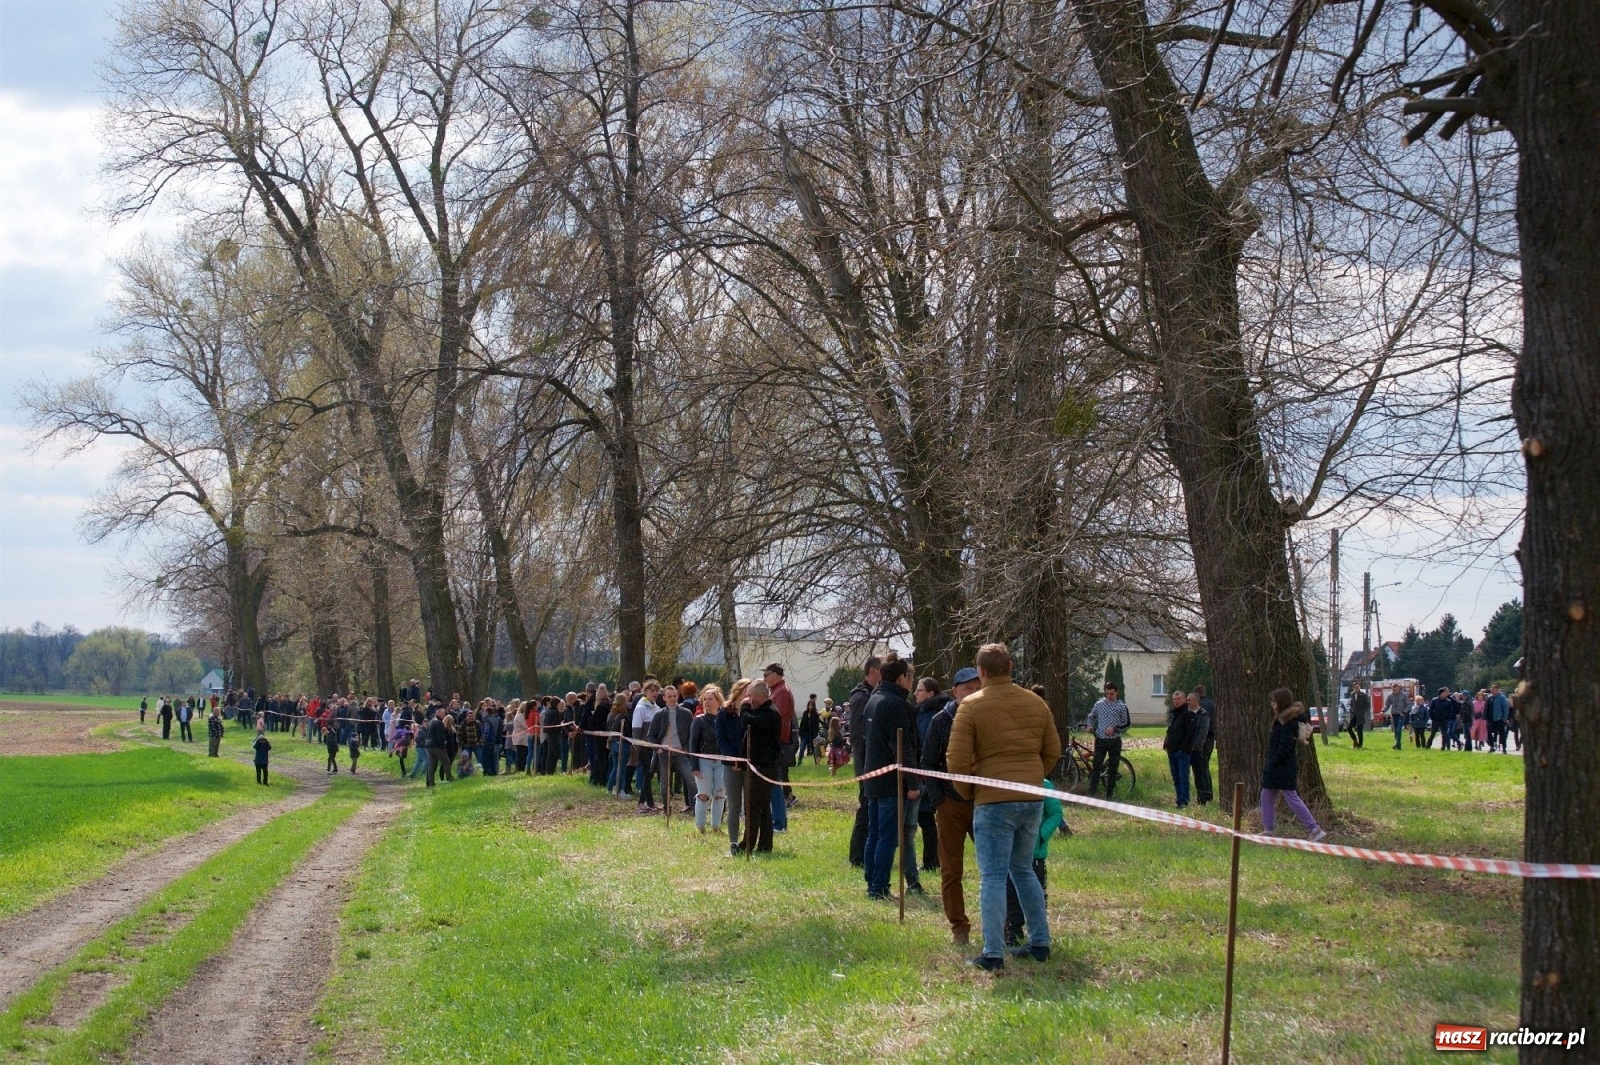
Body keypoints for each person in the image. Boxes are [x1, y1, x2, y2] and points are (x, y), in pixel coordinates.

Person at [945, 644, 1060, 971]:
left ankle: (993, 952)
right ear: (1010, 666)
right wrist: (1033, 778)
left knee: (993, 876)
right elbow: (1052, 750)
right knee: (1024, 870)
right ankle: (1040, 942)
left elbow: (956, 759)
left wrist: (971, 790)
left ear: (980, 672)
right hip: (1031, 798)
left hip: (993, 801)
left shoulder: (970, 706)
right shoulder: (1036, 702)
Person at [921, 665, 980, 945]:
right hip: (950, 804)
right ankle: (959, 926)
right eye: (967, 688)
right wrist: (939, 802)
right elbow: (928, 764)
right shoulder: (941, 721)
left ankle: (1006, 925)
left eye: (978, 687)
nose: (973, 692)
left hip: (985, 803)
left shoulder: (988, 717)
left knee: (995, 868)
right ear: (955, 691)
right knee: (951, 870)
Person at [861, 658, 922, 901]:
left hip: (873, 777)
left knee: (874, 835)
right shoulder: (897, 705)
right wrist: (913, 782)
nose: (912, 682)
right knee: (887, 837)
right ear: (901, 678)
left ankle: (872, 883)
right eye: (910, 677)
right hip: (890, 782)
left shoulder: (873, 700)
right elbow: (902, 747)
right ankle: (878, 887)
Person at [1260, 687, 1327, 841]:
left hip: (1281, 767)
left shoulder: (1286, 723)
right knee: (1266, 796)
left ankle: (1314, 829)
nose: (1272, 704)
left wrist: (1272, 763)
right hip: (1280, 767)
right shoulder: (1283, 721)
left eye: (1274, 702)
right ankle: (1268, 831)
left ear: (1281, 703)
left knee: (1291, 797)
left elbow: (1284, 747)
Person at [1004, 778, 1064, 946]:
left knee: (1035, 893)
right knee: (1010, 893)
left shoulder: (1044, 784)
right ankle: (1014, 931)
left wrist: (1040, 836)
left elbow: (1055, 814)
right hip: (1011, 851)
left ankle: (1037, 934)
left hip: (1035, 854)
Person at [911, 678, 951, 872]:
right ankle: (931, 860)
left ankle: (932, 860)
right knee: (924, 817)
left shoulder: (935, 714)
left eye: (919, 690)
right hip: (922, 771)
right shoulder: (921, 711)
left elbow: (926, 742)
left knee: (927, 817)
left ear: (931, 693)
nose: (915, 693)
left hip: (931, 772)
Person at [848, 655, 885, 867]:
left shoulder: (874, 694)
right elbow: (857, 735)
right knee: (865, 808)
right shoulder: (861, 697)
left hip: (874, 761)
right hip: (865, 762)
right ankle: (857, 855)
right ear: (873, 671)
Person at [741, 682, 782, 855]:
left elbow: (748, 723)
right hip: (759, 766)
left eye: (750, 696)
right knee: (763, 808)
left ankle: (747, 846)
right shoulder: (762, 711)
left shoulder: (770, 713)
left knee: (753, 808)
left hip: (764, 767)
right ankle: (765, 845)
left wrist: (743, 708)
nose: (748, 699)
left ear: (758, 696)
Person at [647, 685, 696, 816]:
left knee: (691, 779)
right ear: (664, 698)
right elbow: (650, 735)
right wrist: (657, 748)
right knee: (665, 784)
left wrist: (686, 748)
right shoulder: (659, 715)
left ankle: (695, 807)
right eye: (669, 696)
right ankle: (666, 808)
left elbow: (692, 734)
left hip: (681, 753)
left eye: (675, 696)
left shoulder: (686, 713)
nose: (673, 698)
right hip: (664, 753)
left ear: (678, 696)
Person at [689, 685, 728, 834]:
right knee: (703, 794)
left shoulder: (724, 719)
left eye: (710, 699)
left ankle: (716, 826)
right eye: (705, 699)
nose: (707, 702)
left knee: (719, 794)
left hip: (721, 762)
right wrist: (694, 766)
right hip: (703, 761)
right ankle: (700, 826)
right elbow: (693, 744)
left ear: (718, 701)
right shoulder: (699, 721)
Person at [1085, 682, 1131, 798]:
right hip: (1100, 739)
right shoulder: (1099, 704)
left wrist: (1115, 729)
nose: (1109, 696)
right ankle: (1091, 794)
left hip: (1114, 741)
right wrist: (1089, 725)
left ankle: (1109, 795)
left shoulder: (1121, 706)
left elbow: (1127, 724)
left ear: (1116, 692)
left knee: (1113, 768)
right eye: (1107, 693)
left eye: (1112, 693)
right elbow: (1091, 716)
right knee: (1096, 767)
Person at [763, 664, 796, 826]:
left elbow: (780, 721)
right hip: (776, 743)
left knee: (775, 785)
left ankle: (779, 822)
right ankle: (777, 820)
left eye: (766, 675)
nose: (764, 678)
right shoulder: (777, 690)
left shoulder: (782, 692)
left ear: (775, 674)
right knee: (774, 783)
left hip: (778, 744)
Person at [1162, 690, 1195, 808]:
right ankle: (1178, 798)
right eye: (1174, 699)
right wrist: (1166, 743)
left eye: (1178, 699)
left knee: (1183, 777)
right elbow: (1170, 730)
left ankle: (1184, 801)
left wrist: (1183, 749)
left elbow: (1190, 734)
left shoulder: (1188, 714)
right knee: (1176, 777)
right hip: (1172, 750)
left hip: (1182, 752)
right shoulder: (1173, 714)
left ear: (1184, 699)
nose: (1176, 701)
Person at [1186, 690, 1214, 805]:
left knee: (1200, 774)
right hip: (1187, 749)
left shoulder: (1203, 714)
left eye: (1190, 700)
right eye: (1187, 700)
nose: (1187, 702)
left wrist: (1195, 746)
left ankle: (1203, 798)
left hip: (1198, 749)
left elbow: (1203, 733)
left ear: (1196, 701)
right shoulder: (1187, 714)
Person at [1486, 684, 1511, 753]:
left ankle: (1504, 748)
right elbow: (1487, 708)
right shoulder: (1490, 698)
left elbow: (1506, 709)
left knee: (1502, 734)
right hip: (1491, 719)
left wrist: (1504, 719)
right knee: (1489, 733)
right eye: (1492, 690)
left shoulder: (1502, 698)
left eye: (1494, 690)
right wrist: (1486, 717)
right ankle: (1492, 746)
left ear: (1497, 690)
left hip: (1499, 719)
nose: (1492, 691)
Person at [798, 695, 822, 765]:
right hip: (805, 734)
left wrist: (815, 733)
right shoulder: (805, 713)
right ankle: (799, 761)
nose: (810, 707)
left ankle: (817, 762)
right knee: (802, 747)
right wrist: (800, 732)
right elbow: (802, 723)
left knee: (814, 749)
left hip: (813, 734)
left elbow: (816, 725)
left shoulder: (815, 714)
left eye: (811, 706)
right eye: (809, 705)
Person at [1347, 682, 1369, 749]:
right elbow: (1351, 703)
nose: (1356, 688)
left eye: (1357, 687)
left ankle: (1360, 745)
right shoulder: (1352, 694)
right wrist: (1350, 709)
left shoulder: (1363, 695)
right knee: (1349, 728)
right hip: (1353, 715)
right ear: (1353, 688)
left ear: (1359, 687)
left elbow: (1367, 705)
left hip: (1360, 715)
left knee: (1359, 731)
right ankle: (1355, 741)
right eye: (1355, 687)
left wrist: (1362, 712)